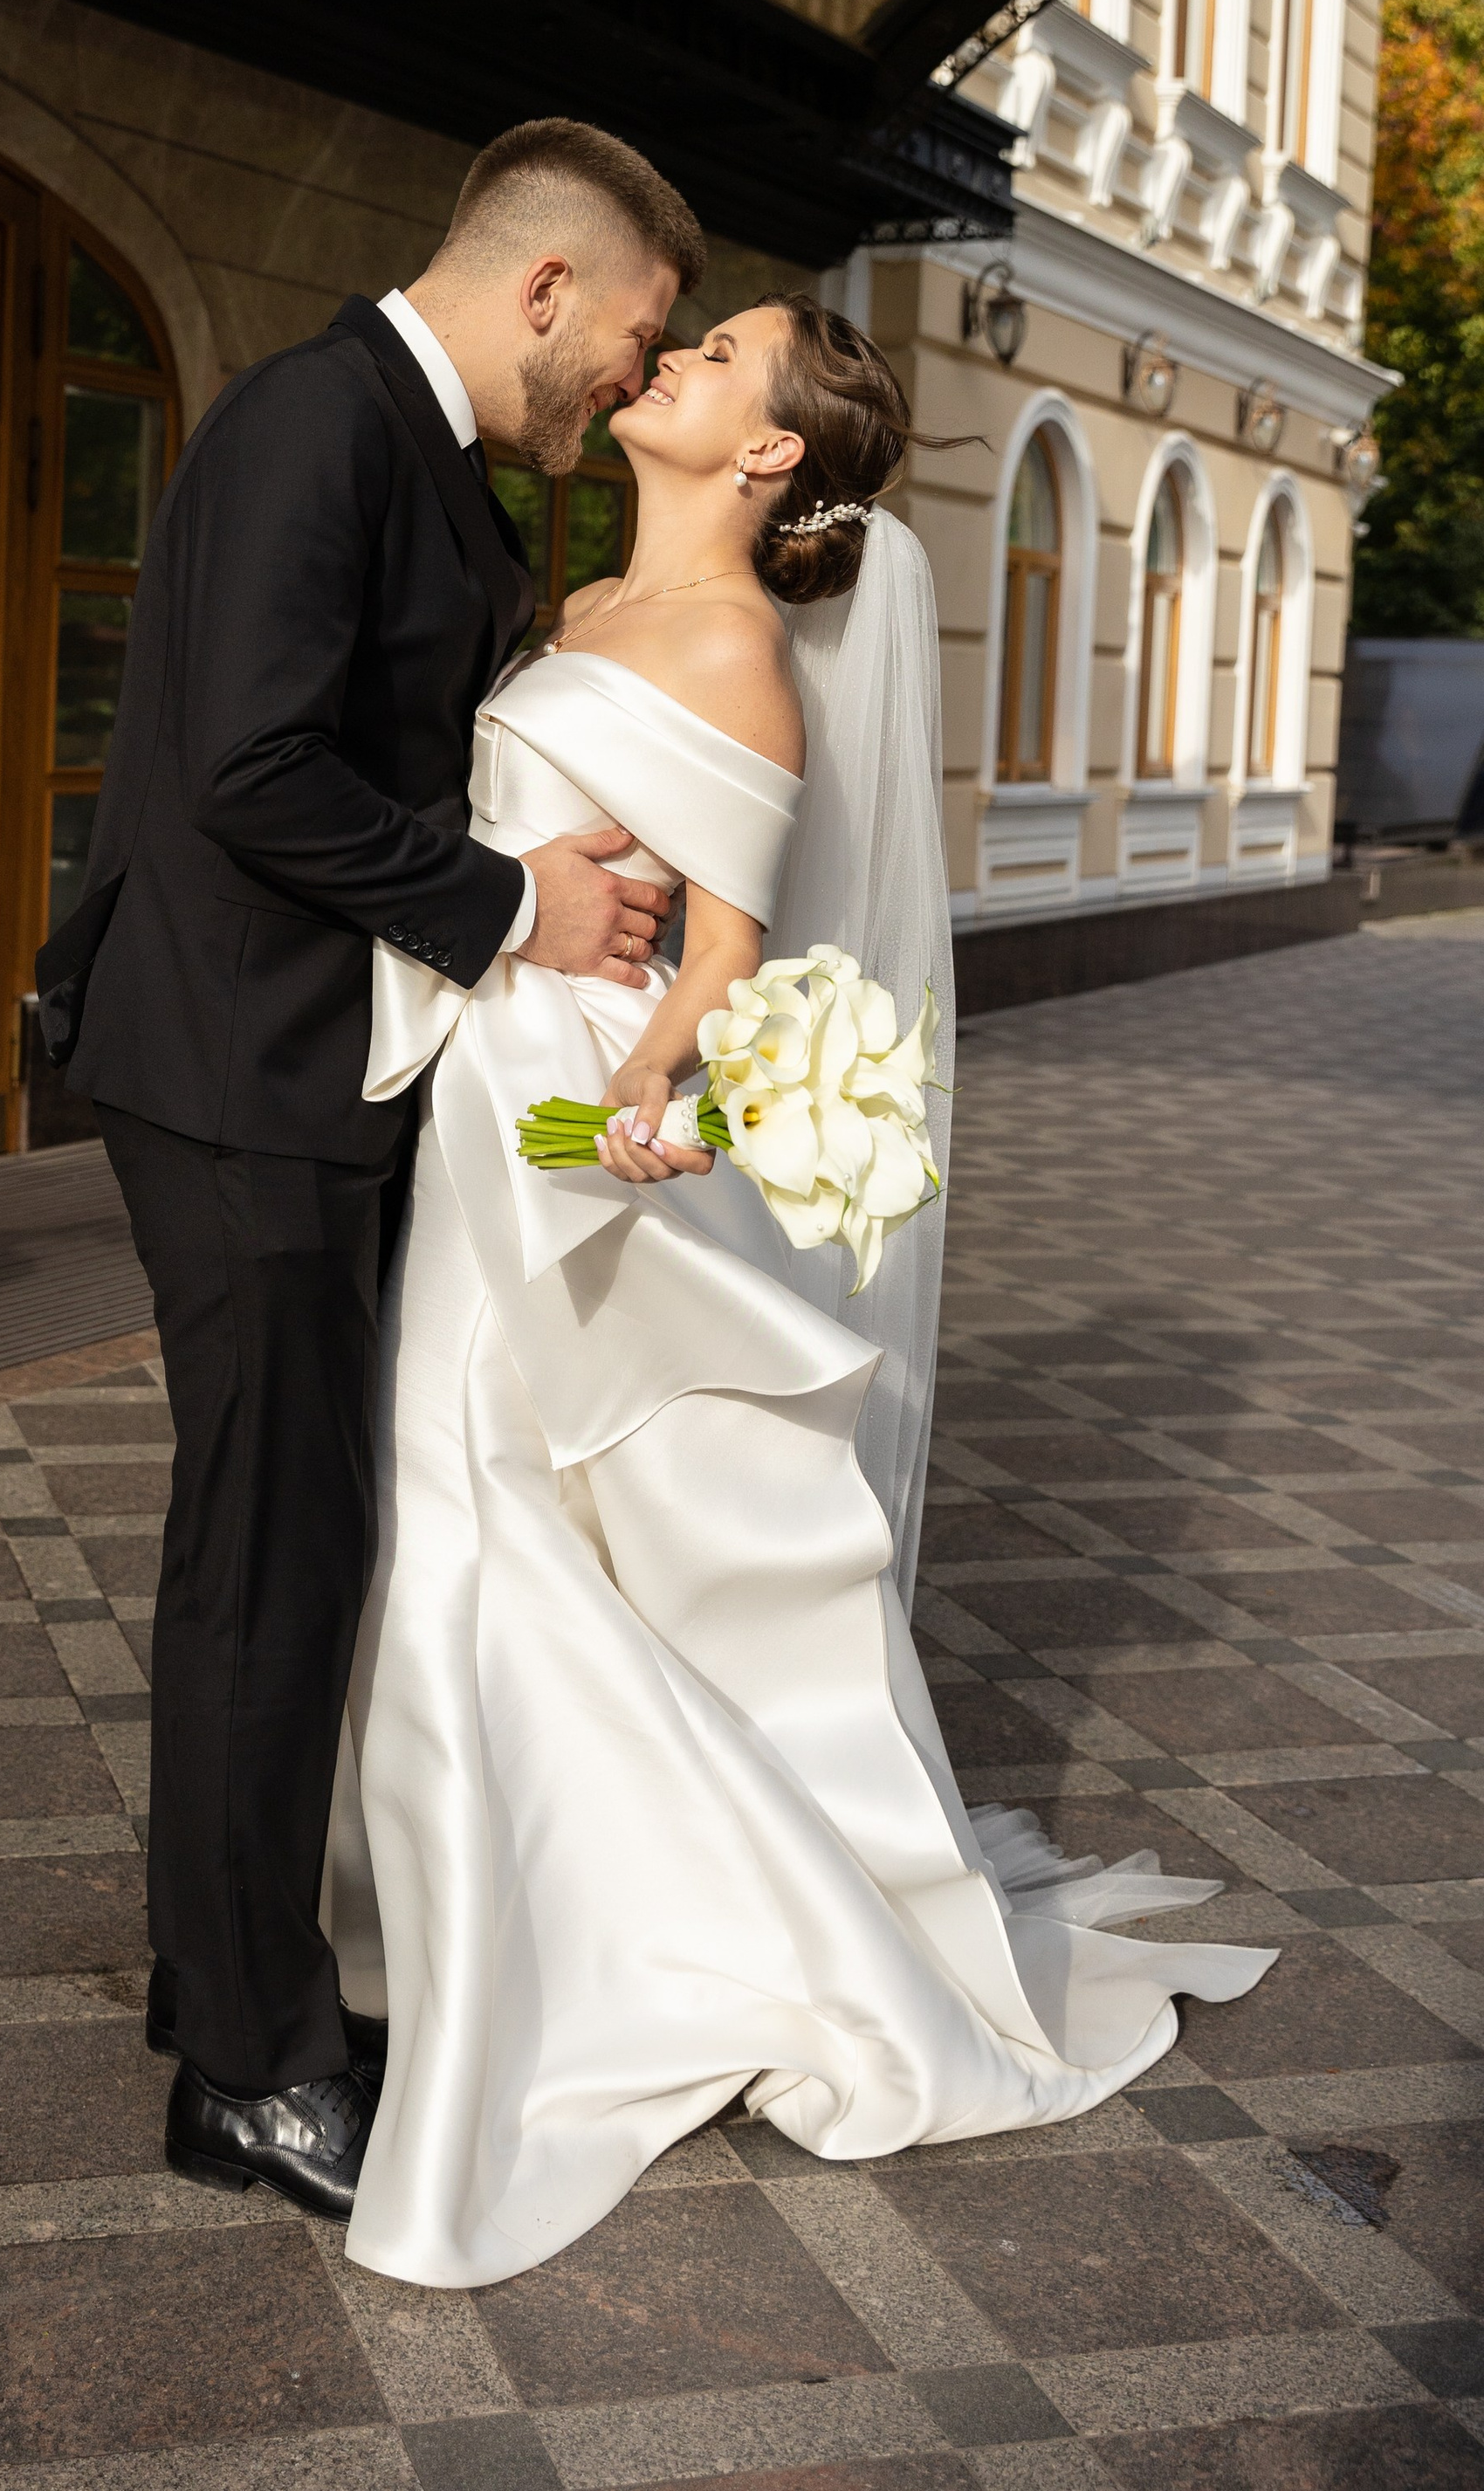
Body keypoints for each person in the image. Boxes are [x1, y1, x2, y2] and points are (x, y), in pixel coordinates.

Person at [328, 290, 1275, 2283]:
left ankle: (599, 1941)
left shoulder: (739, 652)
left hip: (569, 1130)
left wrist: (623, 1132)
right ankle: (481, 1899)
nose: (667, 365)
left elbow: (719, 975)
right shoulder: (572, 606)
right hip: (480, 1083)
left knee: (505, 1512)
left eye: (712, 357)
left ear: (765, 454)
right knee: (477, 1515)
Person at [36, 120, 703, 2215]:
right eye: (632, 337)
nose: (622, 381)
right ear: (543, 289)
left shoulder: (405, 440)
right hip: (239, 1070)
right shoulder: (320, 421)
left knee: (287, 1549)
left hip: (295, 1065)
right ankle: (244, 2071)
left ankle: (228, 1993)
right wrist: (511, 909)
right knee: (268, 1560)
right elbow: (246, 772)